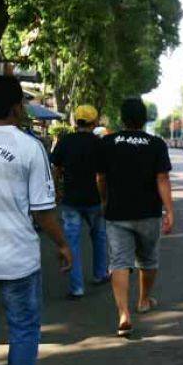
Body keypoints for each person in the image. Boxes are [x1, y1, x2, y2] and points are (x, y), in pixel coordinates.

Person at [0, 78, 72, 365]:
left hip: (17, 260)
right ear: (17, 107)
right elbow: (43, 212)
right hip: (18, 260)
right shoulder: (30, 147)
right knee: (24, 332)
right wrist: (63, 244)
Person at [97, 98, 174, 337]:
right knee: (148, 260)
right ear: (144, 119)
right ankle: (143, 300)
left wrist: (104, 200)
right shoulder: (156, 144)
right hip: (148, 213)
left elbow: (100, 177)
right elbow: (162, 179)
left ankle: (124, 314)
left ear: (122, 118)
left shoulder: (108, 142)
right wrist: (169, 210)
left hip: (117, 213)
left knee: (119, 262)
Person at [51, 105, 109, 300]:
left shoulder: (65, 141)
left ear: (76, 122)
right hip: (93, 200)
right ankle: (100, 274)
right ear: (94, 123)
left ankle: (77, 288)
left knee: (72, 243)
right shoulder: (99, 144)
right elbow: (101, 176)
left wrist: (58, 190)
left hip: (71, 201)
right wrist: (103, 200)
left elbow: (56, 168)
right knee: (99, 236)